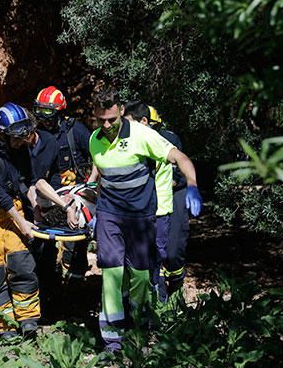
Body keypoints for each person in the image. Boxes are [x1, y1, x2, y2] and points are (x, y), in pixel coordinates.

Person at [88, 87, 202, 353]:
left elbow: (180, 158)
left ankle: (139, 327)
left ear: (122, 113)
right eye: (100, 120)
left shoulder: (143, 136)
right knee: (111, 273)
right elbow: (102, 179)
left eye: (111, 120)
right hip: (110, 215)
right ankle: (113, 341)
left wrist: (193, 184)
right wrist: (92, 209)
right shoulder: (94, 139)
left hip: (140, 216)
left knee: (140, 277)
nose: (106, 126)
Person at [0, 102, 76, 340]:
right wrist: (22, 223)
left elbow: (30, 182)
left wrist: (38, 209)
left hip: (14, 208)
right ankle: (6, 325)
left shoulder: (21, 150)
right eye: (17, 137)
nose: (22, 141)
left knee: (22, 263)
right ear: (2, 135)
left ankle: (28, 319)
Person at [123, 101, 198, 303]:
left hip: (171, 198)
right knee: (150, 256)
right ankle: (157, 298)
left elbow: (178, 166)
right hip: (147, 206)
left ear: (145, 122)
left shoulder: (166, 140)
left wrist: (190, 184)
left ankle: (175, 285)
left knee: (172, 251)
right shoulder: (129, 142)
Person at [33, 86, 92, 280]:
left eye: (48, 113)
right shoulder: (38, 135)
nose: (43, 119)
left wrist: (90, 185)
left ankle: (76, 278)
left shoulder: (76, 131)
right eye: (39, 113)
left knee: (77, 240)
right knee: (44, 242)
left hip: (76, 194)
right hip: (49, 195)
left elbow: (99, 156)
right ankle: (50, 277)